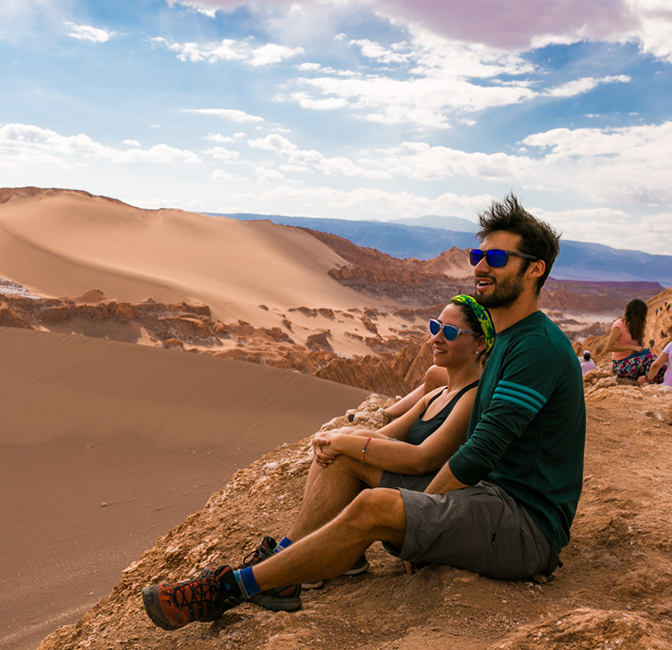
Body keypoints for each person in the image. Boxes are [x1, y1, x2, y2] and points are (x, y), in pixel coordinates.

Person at [141, 193, 586, 630]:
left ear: (534, 269)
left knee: (375, 506)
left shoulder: (536, 348)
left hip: (525, 525)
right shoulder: (509, 337)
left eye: (496, 258)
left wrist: (420, 518)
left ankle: (229, 589)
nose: (480, 266)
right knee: (342, 465)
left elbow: (481, 451)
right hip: (485, 497)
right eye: (478, 254)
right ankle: (285, 570)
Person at [228, 295, 492, 611]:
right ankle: (332, 551)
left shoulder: (473, 397)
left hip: (427, 507)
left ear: (479, 344)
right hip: (411, 489)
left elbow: (424, 458)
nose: (435, 337)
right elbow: (379, 437)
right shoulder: (437, 393)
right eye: (436, 327)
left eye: (450, 332)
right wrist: (336, 439)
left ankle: (286, 560)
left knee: (346, 456)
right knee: (350, 440)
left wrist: (345, 445)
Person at [605, 299, 661, 382]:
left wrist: (640, 345)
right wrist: (632, 347)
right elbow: (609, 347)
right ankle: (648, 383)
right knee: (650, 360)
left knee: (658, 361)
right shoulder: (619, 325)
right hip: (620, 364)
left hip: (633, 359)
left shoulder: (634, 325)